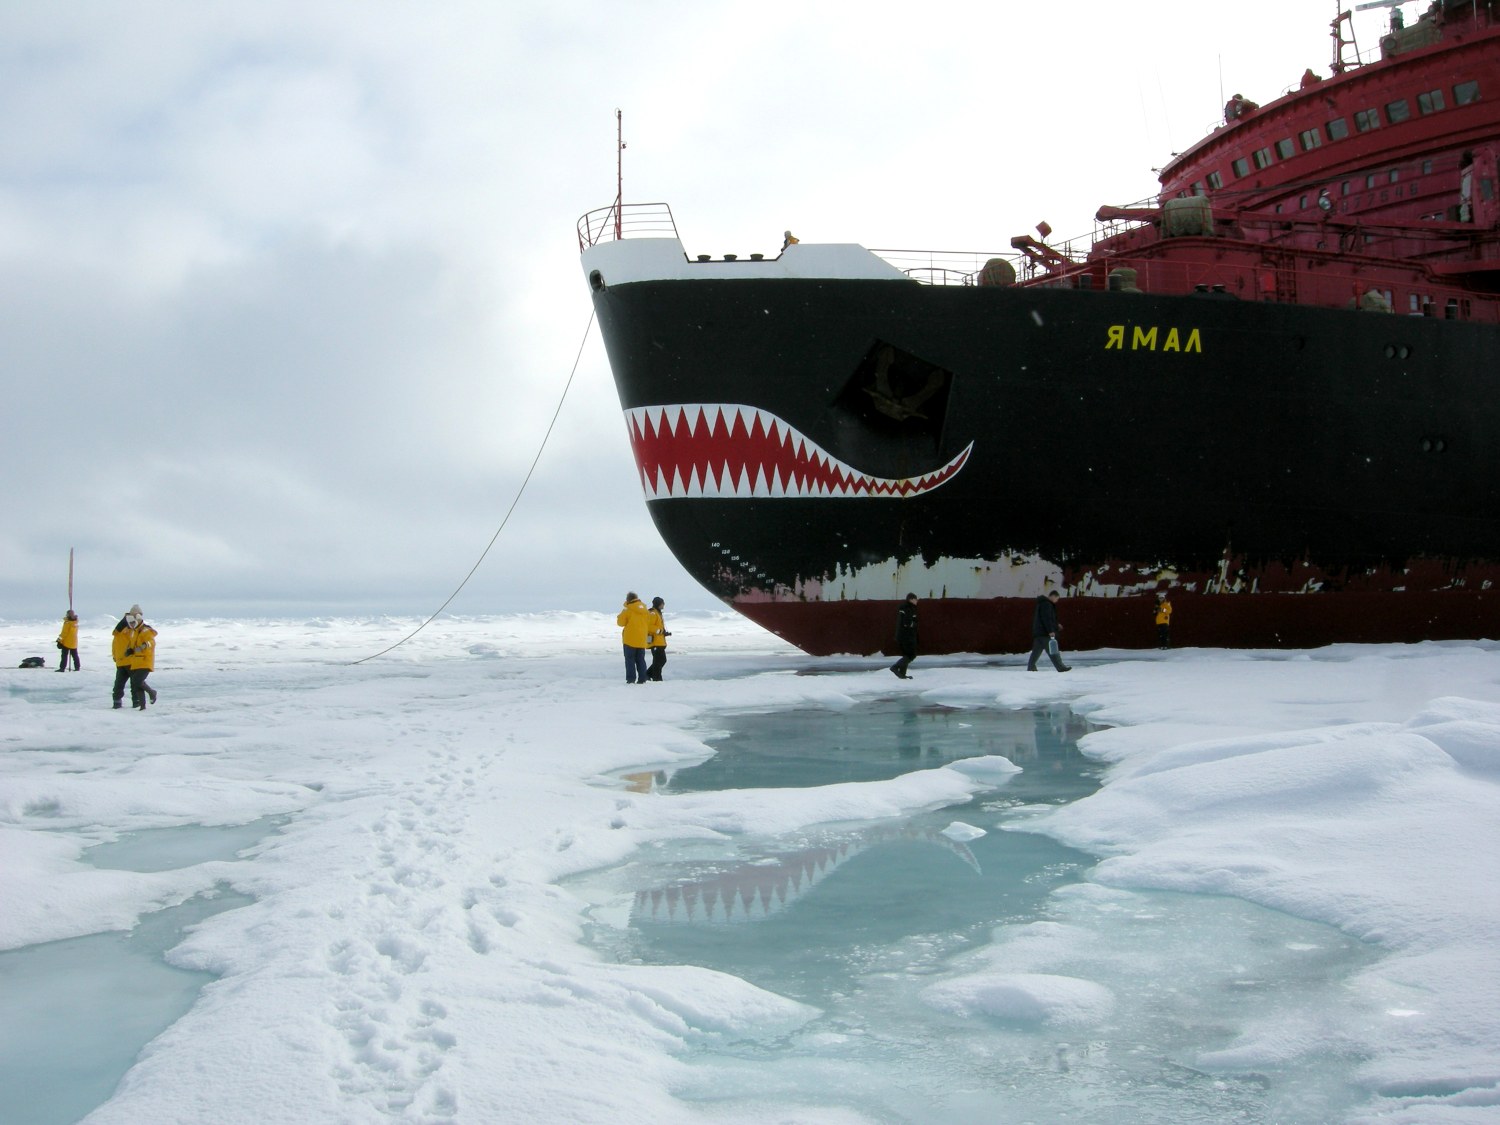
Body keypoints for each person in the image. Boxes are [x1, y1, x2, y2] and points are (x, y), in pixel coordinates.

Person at [123, 604, 158, 710]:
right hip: (136, 662)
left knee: (137, 681)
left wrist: (140, 648)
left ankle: (152, 692)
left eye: (133, 622)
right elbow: (133, 646)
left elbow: (151, 643)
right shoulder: (134, 632)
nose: (132, 625)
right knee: (136, 684)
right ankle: (142, 707)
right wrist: (130, 651)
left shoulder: (145, 631)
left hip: (144, 661)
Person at [1027, 590, 1072, 672]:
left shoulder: (1041, 603)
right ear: (1053, 596)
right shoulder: (1047, 604)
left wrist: (1056, 625)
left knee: (1036, 652)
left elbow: (1045, 618)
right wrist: (1050, 630)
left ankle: (1031, 667)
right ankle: (1061, 667)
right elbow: (1047, 619)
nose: (1056, 601)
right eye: (1057, 599)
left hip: (1039, 632)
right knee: (1053, 650)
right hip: (1045, 633)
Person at [617, 592, 651, 684]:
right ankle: (642, 678)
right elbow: (648, 621)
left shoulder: (628, 609)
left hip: (630, 639)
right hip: (641, 639)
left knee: (630, 660)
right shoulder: (645, 609)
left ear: (628, 599)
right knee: (641, 659)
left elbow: (620, 623)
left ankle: (631, 679)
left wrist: (621, 614)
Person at [890, 593, 918, 678]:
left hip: (901, 635)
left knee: (906, 654)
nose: (917, 601)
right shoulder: (909, 608)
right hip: (907, 636)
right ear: (911, 599)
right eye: (915, 599)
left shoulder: (904, 608)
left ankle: (902, 674)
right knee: (911, 655)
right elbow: (907, 623)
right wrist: (913, 624)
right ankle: (895, 667)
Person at [110, 611, 133, 709]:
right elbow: (115, 645)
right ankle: (117, 704)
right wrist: (115, 656)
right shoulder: (118, 632)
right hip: (120, 662)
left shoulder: (132, 631)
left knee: (135, 685)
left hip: (131, 662)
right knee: (118, 685)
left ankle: (137, 704)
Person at [645, 597, 671, 681]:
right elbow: (649, 626)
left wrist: (664, 633)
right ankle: (657, 678)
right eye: (663, 603)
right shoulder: (652, 613)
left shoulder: (657, 613)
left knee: (662, 660)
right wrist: (660, 631)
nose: (664, 605)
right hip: (655, 641)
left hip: (659, 641)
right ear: (659, 604)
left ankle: (648, 674)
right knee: (658, 661)